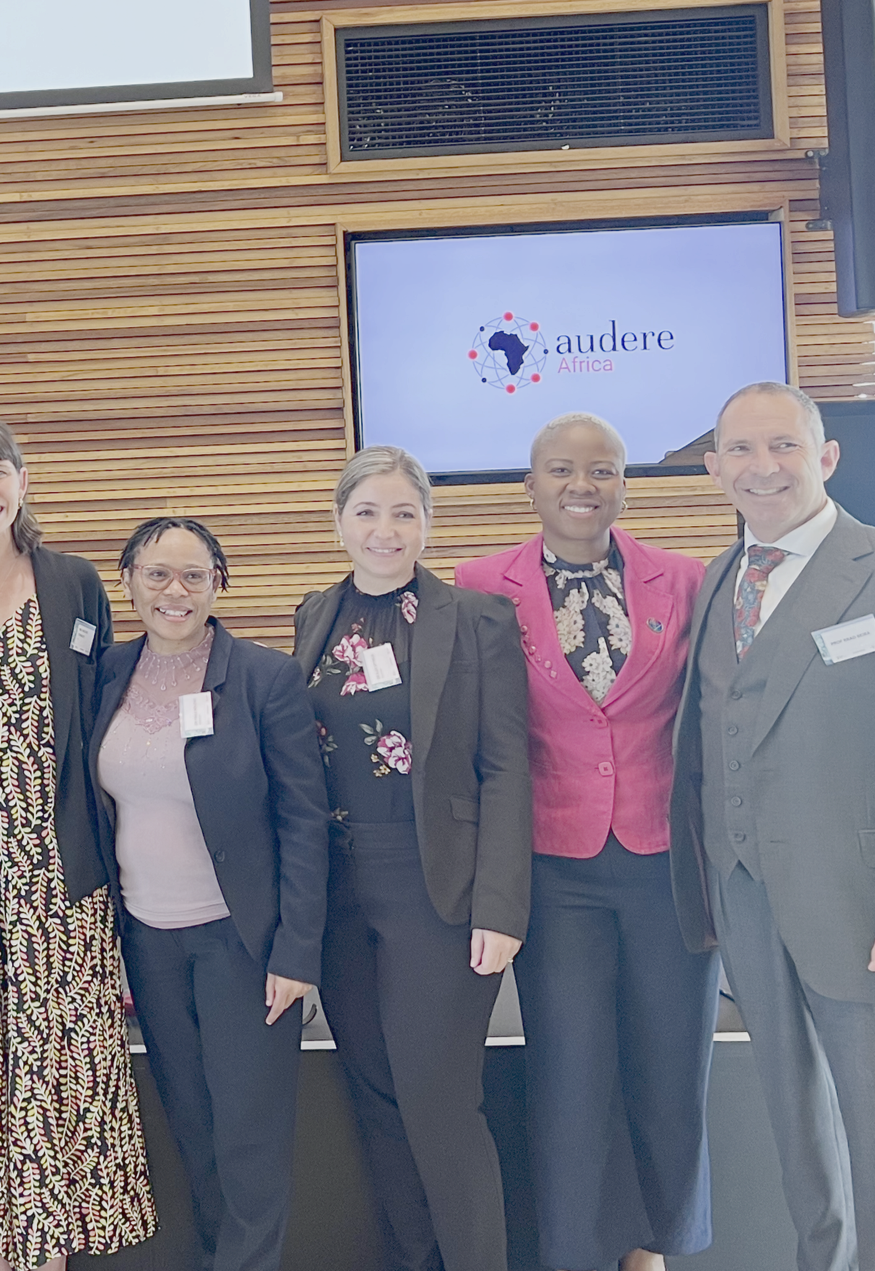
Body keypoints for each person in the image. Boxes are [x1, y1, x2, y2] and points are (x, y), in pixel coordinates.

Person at [455, 414, 715, 1271]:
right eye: (561, 469)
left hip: (664, 863)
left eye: (601, 470)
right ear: (529, 485)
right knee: (571, 1073)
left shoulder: (685, 580)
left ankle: (657, 1249)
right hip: (551, 866)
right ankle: (572, 1251)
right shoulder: (478, 585)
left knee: (672, 1067)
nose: (582, 484)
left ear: (624, 484)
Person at [0, 418, 154, 1271]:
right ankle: (0, 1257)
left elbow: (103, 716)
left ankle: (47, 1258)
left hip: (57, 868)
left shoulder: (75, 584)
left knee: (55, 1067)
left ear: (22, 480)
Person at [293, 445, 531, 1271]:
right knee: (379, 1100)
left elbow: (506, 766)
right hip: (342, 893)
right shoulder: (315, 612)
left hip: (442, 890)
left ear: (427, 521)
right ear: (339, 523)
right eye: (366, 512)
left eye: (403, 513)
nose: (384, 530)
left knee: (438, 1104)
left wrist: (502, 906)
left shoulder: (476, 619)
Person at [670, 381, 875, 1271]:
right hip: (744, 893)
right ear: (715, 469)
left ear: (826, 457)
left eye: (784, 447)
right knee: (795, 1124)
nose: (764, 468)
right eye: (742, 451)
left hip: (853, 902)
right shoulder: (718, 578)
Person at [89, 515, 327, 1271]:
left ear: (218, 585)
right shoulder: (103, 675)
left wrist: (296, 951)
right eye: (157, 574)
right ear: (127, 583)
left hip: (242, 943)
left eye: (194, 575)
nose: (175, 591)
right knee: (193, 1129)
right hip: (148, 944)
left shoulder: (263, 678)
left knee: (249, 1138)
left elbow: (304, 820)